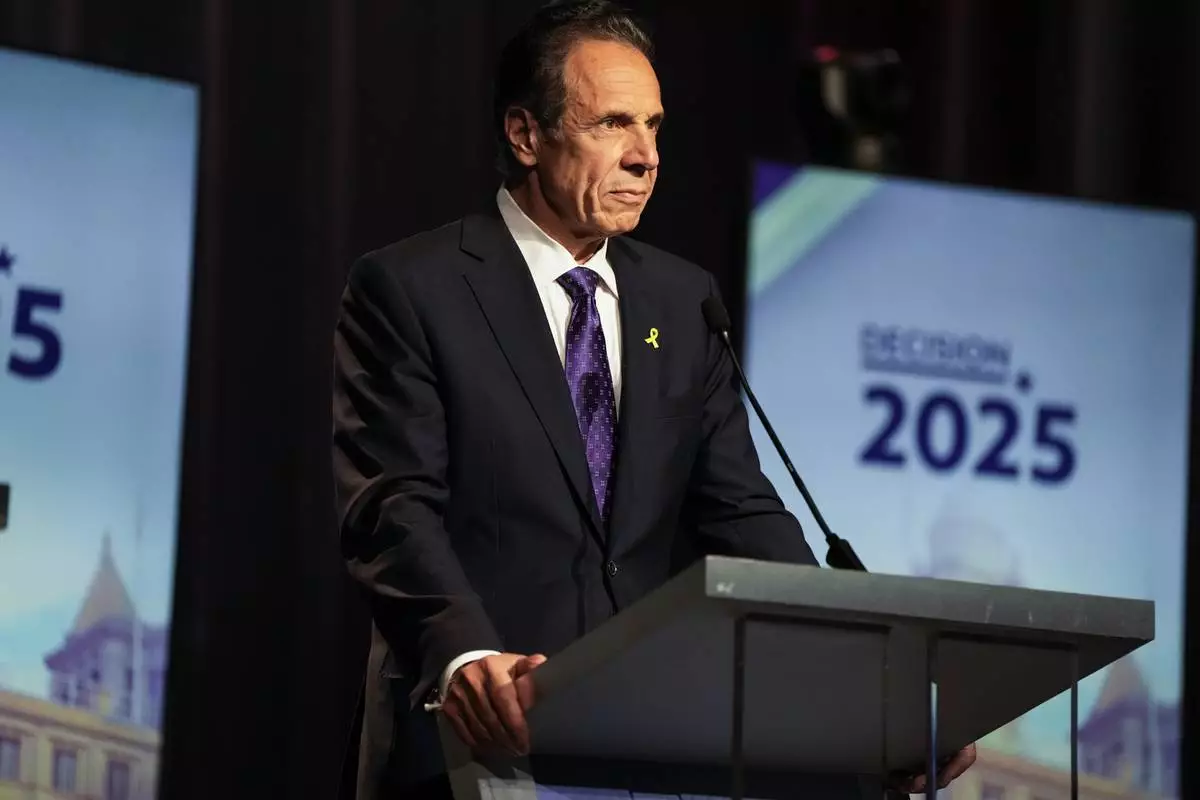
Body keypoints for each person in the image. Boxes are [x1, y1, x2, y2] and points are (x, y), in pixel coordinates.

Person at [331, 2, 975, 798]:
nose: (646, 157)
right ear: (526, 135)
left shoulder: (681, 302)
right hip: (471, 743)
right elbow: (391, 509)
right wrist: (464, 655)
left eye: (655, 127)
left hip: (638, 751)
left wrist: (868, 684)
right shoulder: (414, 289)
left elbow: (742, 516)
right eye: (612, 125)